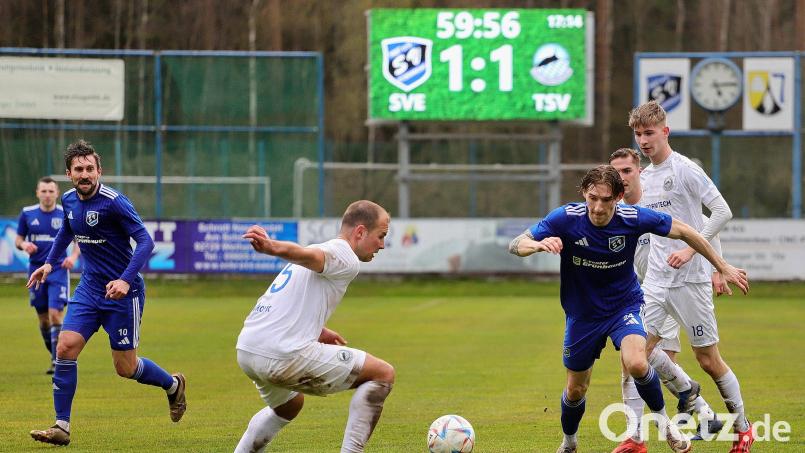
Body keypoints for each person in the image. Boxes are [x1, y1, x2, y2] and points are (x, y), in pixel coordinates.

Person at [508, 165, 749, 453]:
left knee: (636, 362)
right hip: (582, 314)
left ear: (619, 197)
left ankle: (664, 424)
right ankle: (569, 443)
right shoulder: (565, 218)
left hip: (624, 306)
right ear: (584, 193)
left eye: (606, 200)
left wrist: (722, 266)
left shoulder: (632, 218)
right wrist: (536, 245)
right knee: (575, 390)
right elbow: (516, 244)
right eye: (593, 198)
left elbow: (685, 231)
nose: (598, 207)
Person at [26, 140, 186, 446]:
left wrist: (125, 280)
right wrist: (48, 265)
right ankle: (61, 426)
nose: (85, 174)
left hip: (124, 294)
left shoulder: (115, 202)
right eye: (78, 169)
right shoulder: (70, 201)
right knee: (65, 347)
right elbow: (66, 232)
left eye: (90, 169)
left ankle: (173, 384)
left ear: (99, 171)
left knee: (125, 368)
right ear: (69, 174)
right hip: (90, 288)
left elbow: (145, 242)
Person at [630, 101, 755, 452]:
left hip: (690, 280)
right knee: (636, 353)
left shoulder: (684, 169)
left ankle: (742, 426)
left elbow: (721, 211)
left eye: (649, 133)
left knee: (707, 360)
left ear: (665, 132)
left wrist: (697, 253)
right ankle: (649, 426)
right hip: (655, 282)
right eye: (638, 134)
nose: (643, 140)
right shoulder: (644, 177)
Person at [234, 200, 394, 453]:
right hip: (281, 354)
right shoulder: (345, 255)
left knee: (289, 406)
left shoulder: (325, 248)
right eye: (381, 236)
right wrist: (272, 246)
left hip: (248, 349)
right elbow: (311, 257)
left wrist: (318, 330)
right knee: (382, 373)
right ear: (360, 232)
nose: (383, 245)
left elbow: (287, 300)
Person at [609, 148, 725, 453]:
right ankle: (701, 410)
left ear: (639, 171)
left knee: (643, 358)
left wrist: (717, 269)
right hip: (644, 294)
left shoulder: (658, 202)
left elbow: (700, 230)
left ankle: (644, 432)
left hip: (673, 286)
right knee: (639, 359)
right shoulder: (615, 213)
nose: (621, 179)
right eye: (615, 173)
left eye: (627, 171)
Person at [16, 176, 81, 374]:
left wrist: (74, 257)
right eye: (43, 191)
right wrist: (24, 244)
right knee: (43, 319)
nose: (47, 195)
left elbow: (78, 239)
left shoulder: (65, 213)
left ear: (57, 193)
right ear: (37, 193)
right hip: (36, 272)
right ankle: (54, 355)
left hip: (58, 271)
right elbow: (18, 239)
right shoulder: (27, 214)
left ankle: (58, 361)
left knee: (55, 314)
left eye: (51, 191)